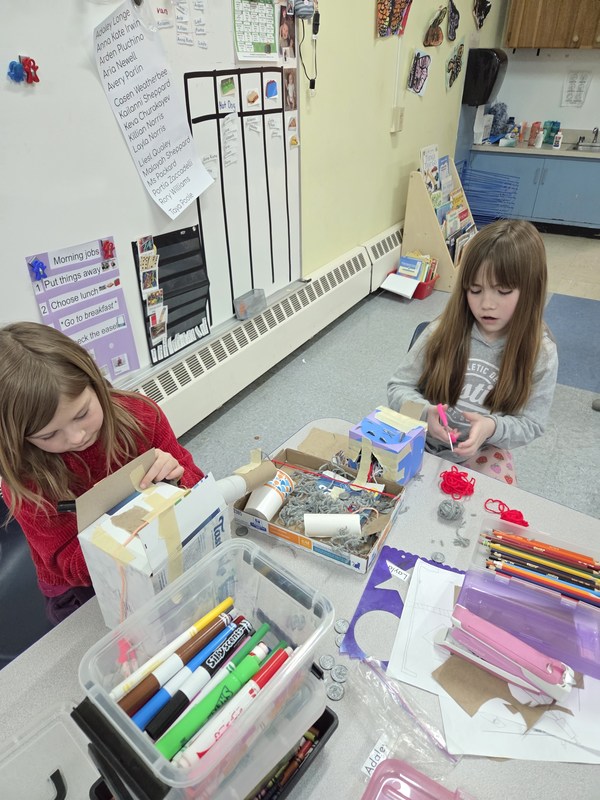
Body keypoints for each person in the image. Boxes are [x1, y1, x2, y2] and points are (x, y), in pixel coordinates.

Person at [0, 322, 205, 624]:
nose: (76, 437)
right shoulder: (26, 481)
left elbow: (197, 484)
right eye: (49, 435)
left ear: (95, 382)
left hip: (156, 554)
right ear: (20, 440)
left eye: (82, 414)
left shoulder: (141, 416)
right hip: (81, 589)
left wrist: (177, 479)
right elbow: (65, 565)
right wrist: (136, 535)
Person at [387, 219, 558, 485]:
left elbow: (531, 425)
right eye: (475, 290)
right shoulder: (441, 331)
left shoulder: (541, 353)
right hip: (419, 437)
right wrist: (424, 413)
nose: (487, 304)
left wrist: (491, 427)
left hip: (483, 451)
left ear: (531, 290)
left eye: (503, 291)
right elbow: (397, 388)